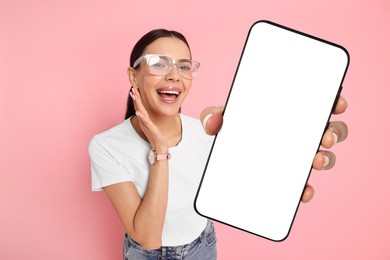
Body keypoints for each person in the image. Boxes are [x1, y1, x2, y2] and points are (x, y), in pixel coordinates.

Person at [88, 29, 349, 260]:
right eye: (159, 64)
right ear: (133, 76)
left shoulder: (206, 129)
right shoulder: (106, 146)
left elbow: (244, 183)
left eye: (184, 66)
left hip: (203, 245)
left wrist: (286, 144)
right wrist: (161, 149)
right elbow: (148, 238)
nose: (174, 76)